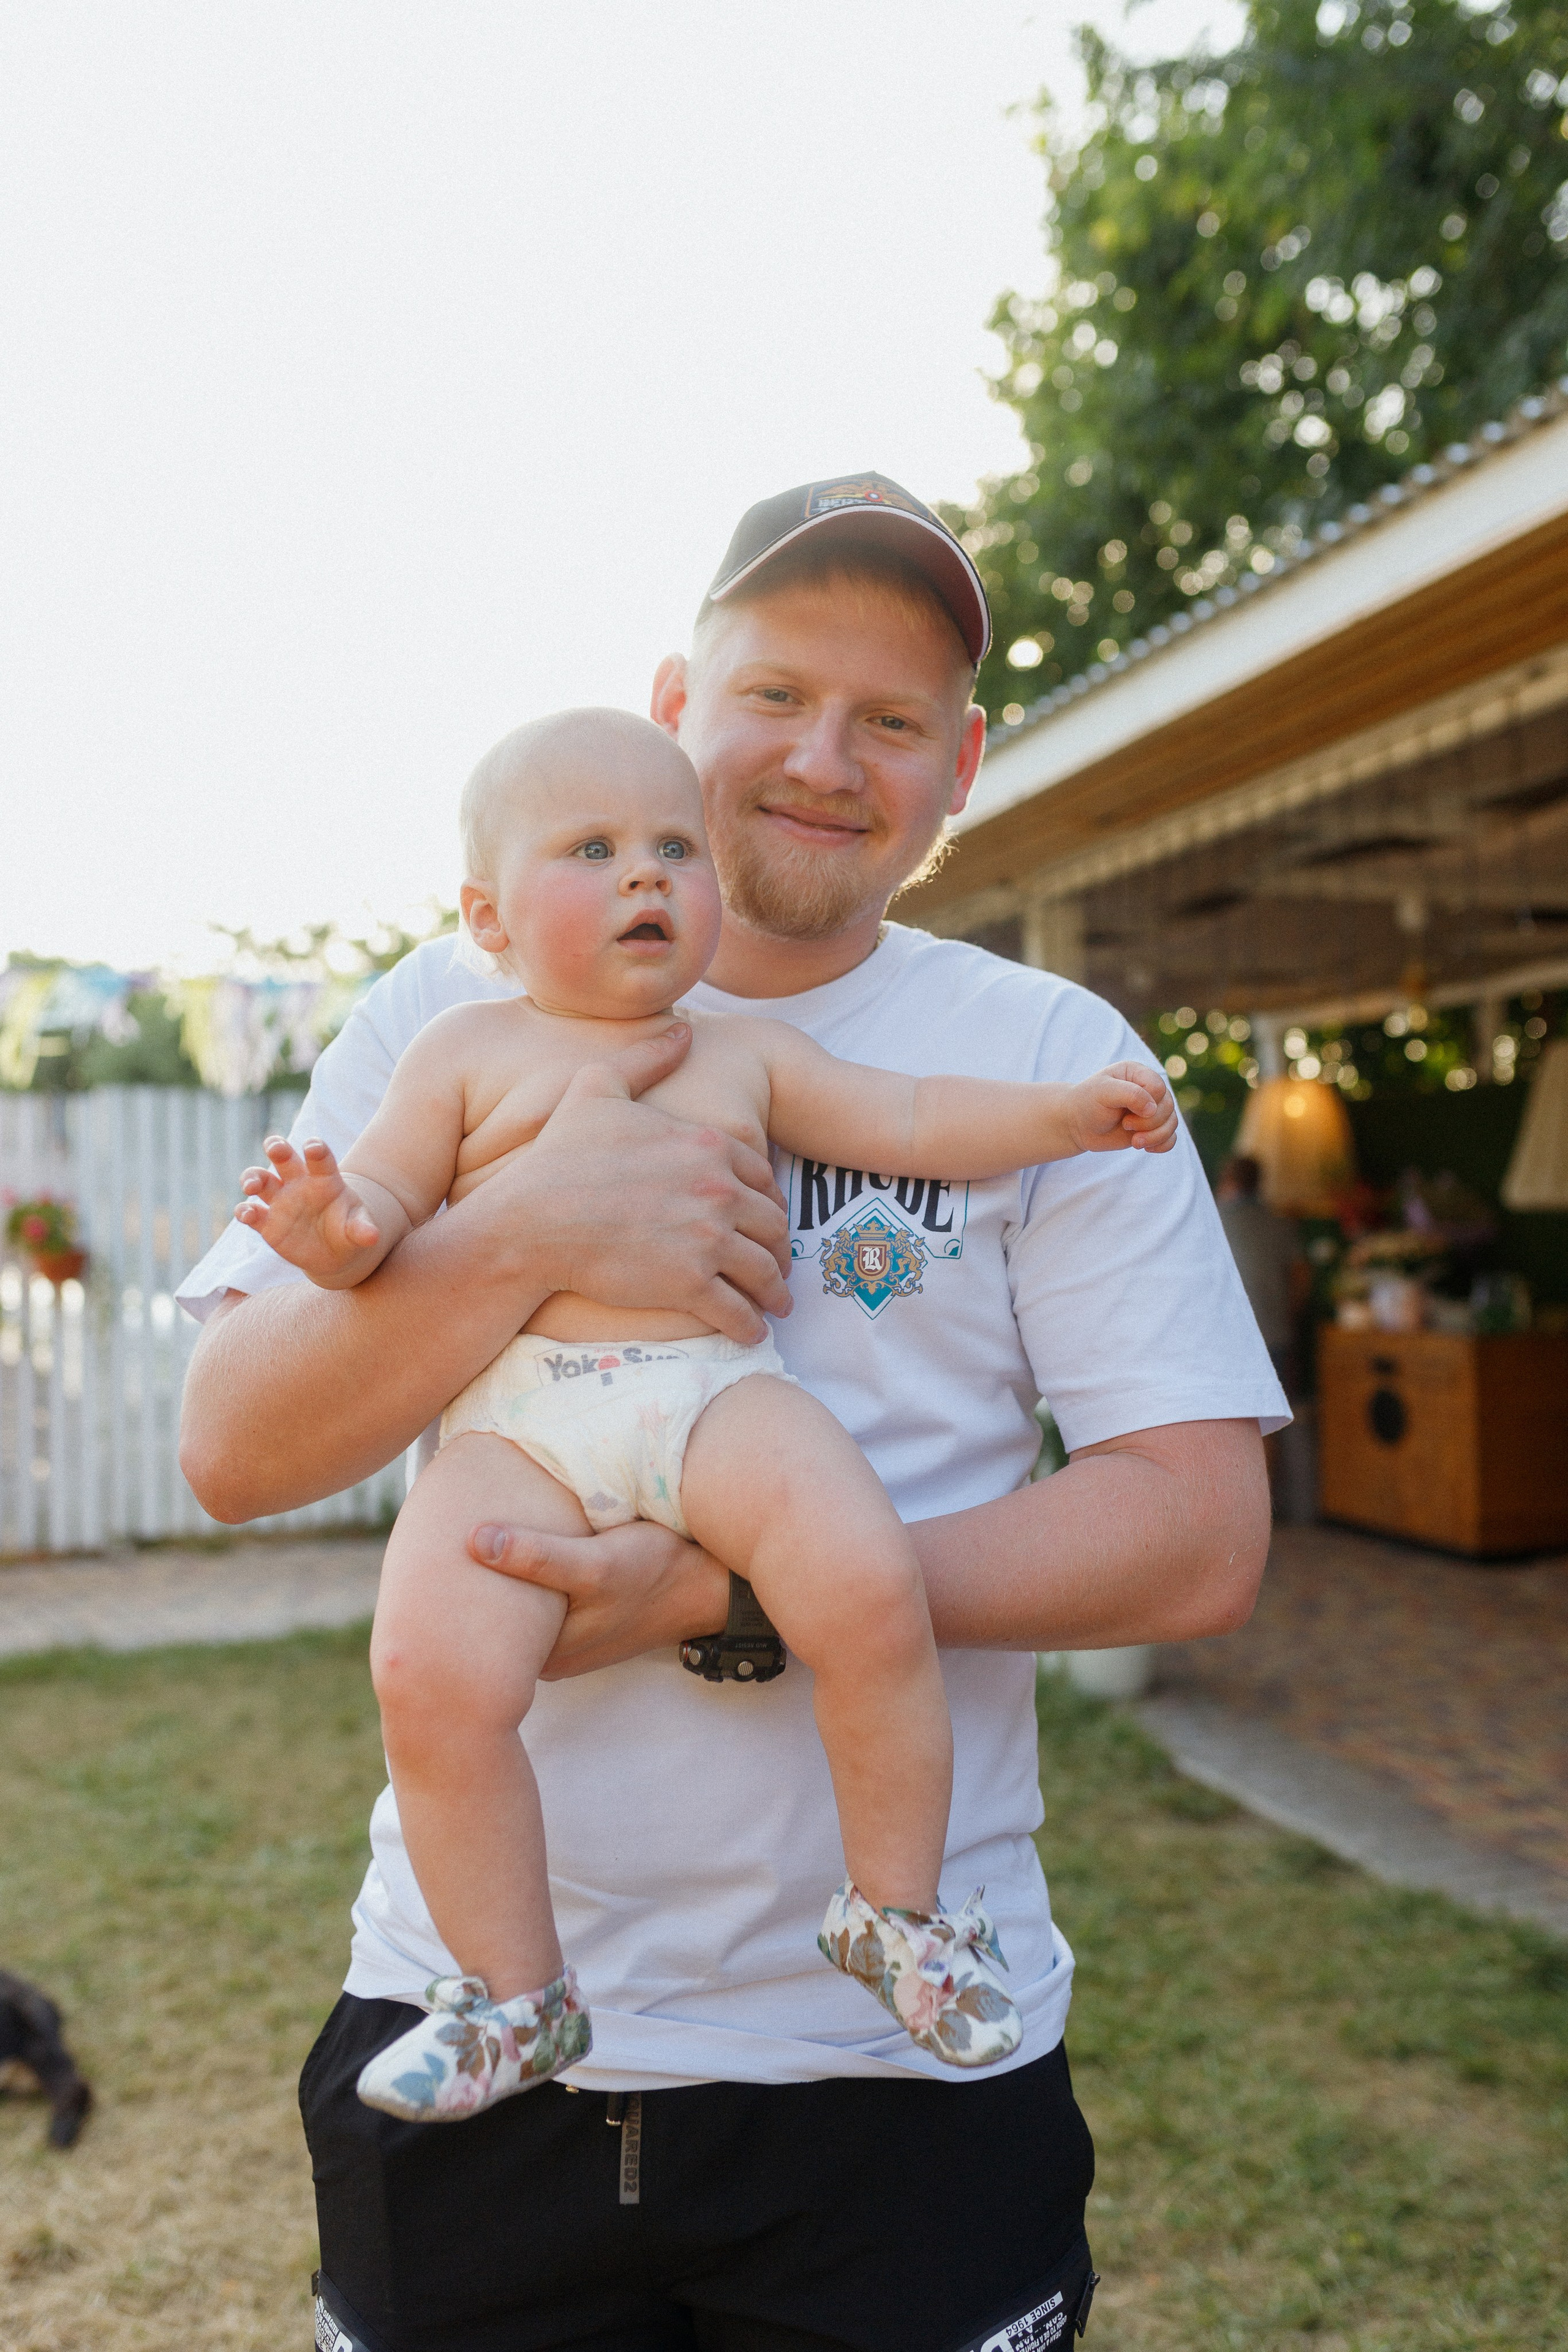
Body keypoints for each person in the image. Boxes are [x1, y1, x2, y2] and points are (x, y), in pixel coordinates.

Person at [178, 473, 1286, 2352]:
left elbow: (1195, 1534)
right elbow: (231, 1445)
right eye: (774, 693)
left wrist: (726, 1594)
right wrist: (531, 1226)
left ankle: (895, 1908)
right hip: (464, 2051)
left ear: (963, 763)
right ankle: (509, 1979)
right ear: (676, 697)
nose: (822, 758)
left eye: (891, 719)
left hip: (896, 2090)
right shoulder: (443, 1014)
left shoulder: (1044, 1053)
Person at [234, 705, 1178, 2119]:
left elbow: (912, 1121)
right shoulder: (456, 1051)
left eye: (674, 847)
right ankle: (512, 1992)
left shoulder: (735, 1048)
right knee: (428, 1670)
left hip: (708, 1393)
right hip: (516, 1427)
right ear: (486, 914)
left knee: (862, 1577)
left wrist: (1065, 1116)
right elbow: (377, 1214)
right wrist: (323, 1226)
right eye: (594, 848)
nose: (644, 876)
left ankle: (896, 1915)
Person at [1215, 1153, 1308, 1398]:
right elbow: (1301, 1275)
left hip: (1230, 1336)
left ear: (1229, 1182)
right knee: (1274, 1409)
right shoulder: (1280, 1222)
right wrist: (1289, 1312)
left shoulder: (1214, 1220)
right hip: (1275, 1331)